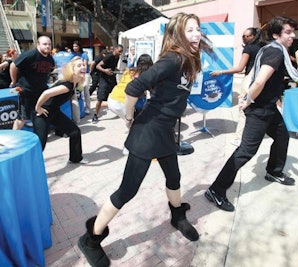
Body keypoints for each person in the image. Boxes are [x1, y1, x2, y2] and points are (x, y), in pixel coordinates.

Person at [78, 12, 213, 266]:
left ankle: (177, 216)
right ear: (177, 35)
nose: (196, 34)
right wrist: (129, 117)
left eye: (198, 29)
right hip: (147, 133)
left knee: (174, 178)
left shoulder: (188, 60)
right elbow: (133, 88)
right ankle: (91, 238)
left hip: (164, 132)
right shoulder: (173, 59)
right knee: (127, 190)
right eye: (190, 30)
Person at [205, 16, 298, 212]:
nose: (293, 36)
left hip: (269, 107)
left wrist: (248, 96)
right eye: (288, 32)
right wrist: (247, 100)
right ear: (276, 35)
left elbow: (253, 76)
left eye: (293, 32)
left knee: (282, 136)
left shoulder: (271, 50)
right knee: (246, 151)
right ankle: (216, 189)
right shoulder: (274, 53)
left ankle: (273, 171)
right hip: (260, 109)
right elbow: (258, 81)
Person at [211, 27, 266, 146]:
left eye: (246, 36)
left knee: (243, 109)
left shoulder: (249, 48)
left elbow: (239, 68)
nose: (244, 38)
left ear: (253, 36)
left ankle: (239, 138)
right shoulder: (263, 48)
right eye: (243, 36)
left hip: (250, 81)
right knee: (256, 109)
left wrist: (221, 72)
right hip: (261, 80)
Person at [34, 56, 89, 164]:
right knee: (40, 144)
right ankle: (31, 167)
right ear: (72, 70)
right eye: (79, 66)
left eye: (83, 64)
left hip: (54, 111)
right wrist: (38, 108)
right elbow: (46, 93)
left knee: (74, 132)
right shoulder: (67, 85)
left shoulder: (75, 83)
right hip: (43, 113)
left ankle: (76, 158)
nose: (83, 67)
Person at [107, 54, 153, 155]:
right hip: (122, 101)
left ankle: (134, 144)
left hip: (112, 98)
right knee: (134, 125)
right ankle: (128, 147)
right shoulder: (143, 75)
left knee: (132, 123)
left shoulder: (130, 70)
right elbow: (135, 92)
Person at [10, 36, 55, 130]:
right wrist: (14, 81)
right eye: (45, 44)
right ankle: (13, 137)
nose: (47, 46)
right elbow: (13, 66)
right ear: (38, 44)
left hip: (41, 91)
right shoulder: (30, 54)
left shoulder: (50, 59)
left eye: (49, 44)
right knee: (22, 118)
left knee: (42, 112)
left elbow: (51, 69)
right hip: (26, 90)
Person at [92, 45, 123, 123]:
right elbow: (98, 66)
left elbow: (113, 67)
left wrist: (121, 71)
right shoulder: (109, 57)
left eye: (121, 52)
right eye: (119, 51)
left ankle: (119, 111)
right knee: (100, 98)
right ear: (115, 49)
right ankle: (95, 115)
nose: (120, 53)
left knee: (117, 94)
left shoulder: (117, 57)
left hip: (112, 79)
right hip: (104, 79)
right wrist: (105, 70)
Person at [70, 40, 91, 115]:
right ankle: (78, 108)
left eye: (76, 46)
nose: (75, 48)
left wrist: (83, 74)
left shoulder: (84, 54)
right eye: (73, 46)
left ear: (79, 46)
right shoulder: (72, 54)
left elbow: (85, 65)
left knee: (85, 90)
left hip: (85, 74)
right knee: (77, 91)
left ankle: (88, 108)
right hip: (76, 75)